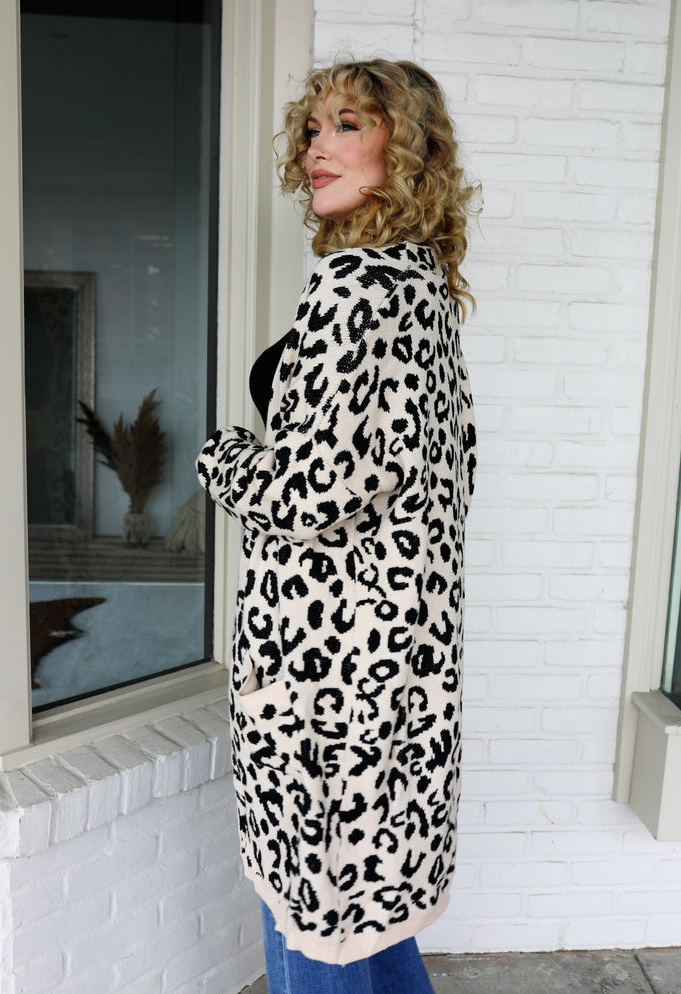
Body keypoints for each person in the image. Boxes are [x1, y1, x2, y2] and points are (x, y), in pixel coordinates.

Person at [196, 58, 478, 994]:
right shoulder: (421, 290)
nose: (319, 146)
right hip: (391, 675)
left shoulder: (356, 288)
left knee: (315, 933)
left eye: (349, 124)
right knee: (370, 925)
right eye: (313, 129)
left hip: (326, 686)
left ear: (407, 149)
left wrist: (221, 455)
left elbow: (312, 494)